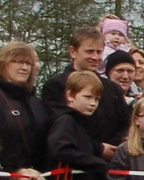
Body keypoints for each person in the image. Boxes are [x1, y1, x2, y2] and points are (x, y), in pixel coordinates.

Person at [41, 27, 128, 158]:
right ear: (73, 51)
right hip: (74, 164)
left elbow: (125, 123)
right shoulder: (56, 86)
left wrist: (115, 146)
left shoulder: (112, 88)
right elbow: (57, 129)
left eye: (99, 52)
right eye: (89, 51)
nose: (95, 57)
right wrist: (97, 148)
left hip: (111, 163)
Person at [0, 41, 50, 174]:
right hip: (1, 176)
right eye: (18, 62)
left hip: (36, 179)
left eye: (28, 64)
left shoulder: (36, 103)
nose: (24, 68)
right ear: (3, 64)